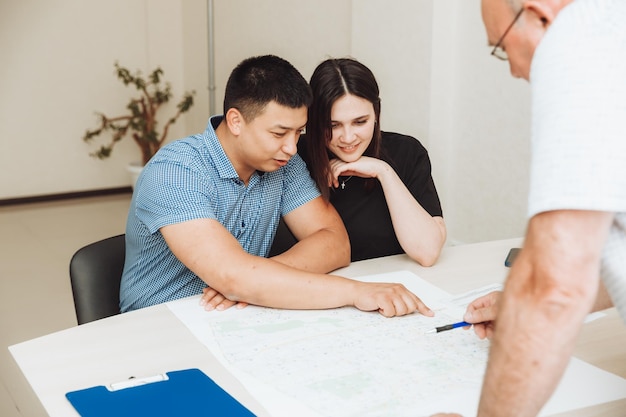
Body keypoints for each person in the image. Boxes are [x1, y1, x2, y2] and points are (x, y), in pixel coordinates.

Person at [119, 54, 433, 319]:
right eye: (279, 133)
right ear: (236, 121)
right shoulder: (175, 172)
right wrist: (356, 291)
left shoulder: (283, 165)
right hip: (159, 326)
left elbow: (336, 244)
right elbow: (233, 276)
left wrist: (256, 278)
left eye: (299, 132)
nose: (293, 148)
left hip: (237, 318)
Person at [433, 0, 626, 416]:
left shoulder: (578, 41)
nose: (515, 70)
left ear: (539, 13)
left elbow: (552, 284)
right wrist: (513, 306)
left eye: (501, 46)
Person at [272, 58, 446, 265]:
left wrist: (383, 171)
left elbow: (427, 252)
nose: (348, 137)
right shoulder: (290, 156)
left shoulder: (406, 152)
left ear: (376, 113)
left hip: (388, 284)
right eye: (333, 125)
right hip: (312, 286)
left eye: (359, 122)